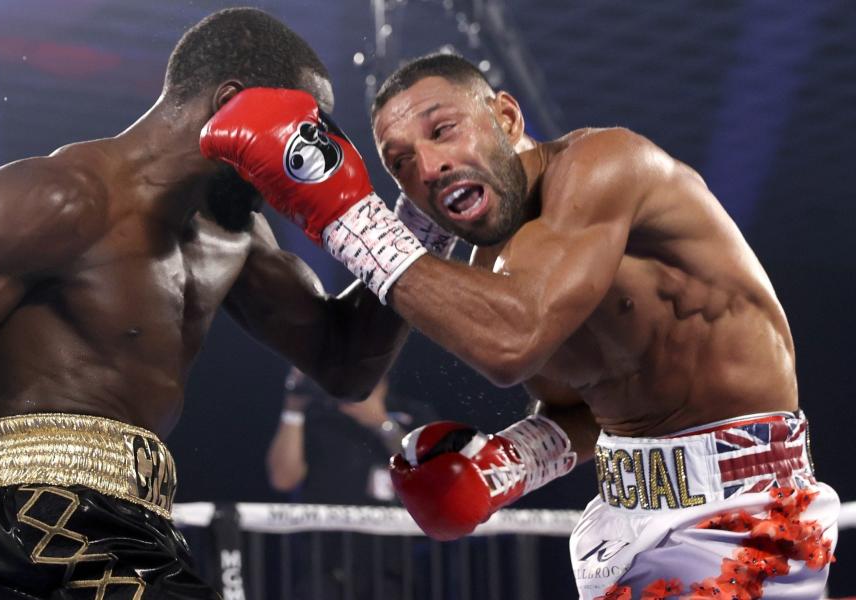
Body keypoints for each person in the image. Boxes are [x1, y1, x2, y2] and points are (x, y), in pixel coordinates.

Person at [201, 52, 839, 599]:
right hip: (625, 519)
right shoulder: (491, 271)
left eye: (444, 131)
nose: (429, 166)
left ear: (505, 118)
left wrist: (344, 215)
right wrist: (509, 463)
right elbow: (586, 407)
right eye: (400, 164)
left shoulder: (605, 165)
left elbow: (512, 341)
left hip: (748, 512)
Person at [0, 8, 416, 600]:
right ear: (234, 102)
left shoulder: (237, 234)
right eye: (306, 124)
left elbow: (345, 366)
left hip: (143, 531)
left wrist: (411, 236)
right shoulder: (61, 195)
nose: (310, 153)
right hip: (29, 523)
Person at [265, 367, 436, 600]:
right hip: (323, 568)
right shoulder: (316, 415)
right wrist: (293, 410)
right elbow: (282, 479)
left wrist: (382, 424)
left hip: (393, 569)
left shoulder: (413, 414)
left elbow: (432, 475)